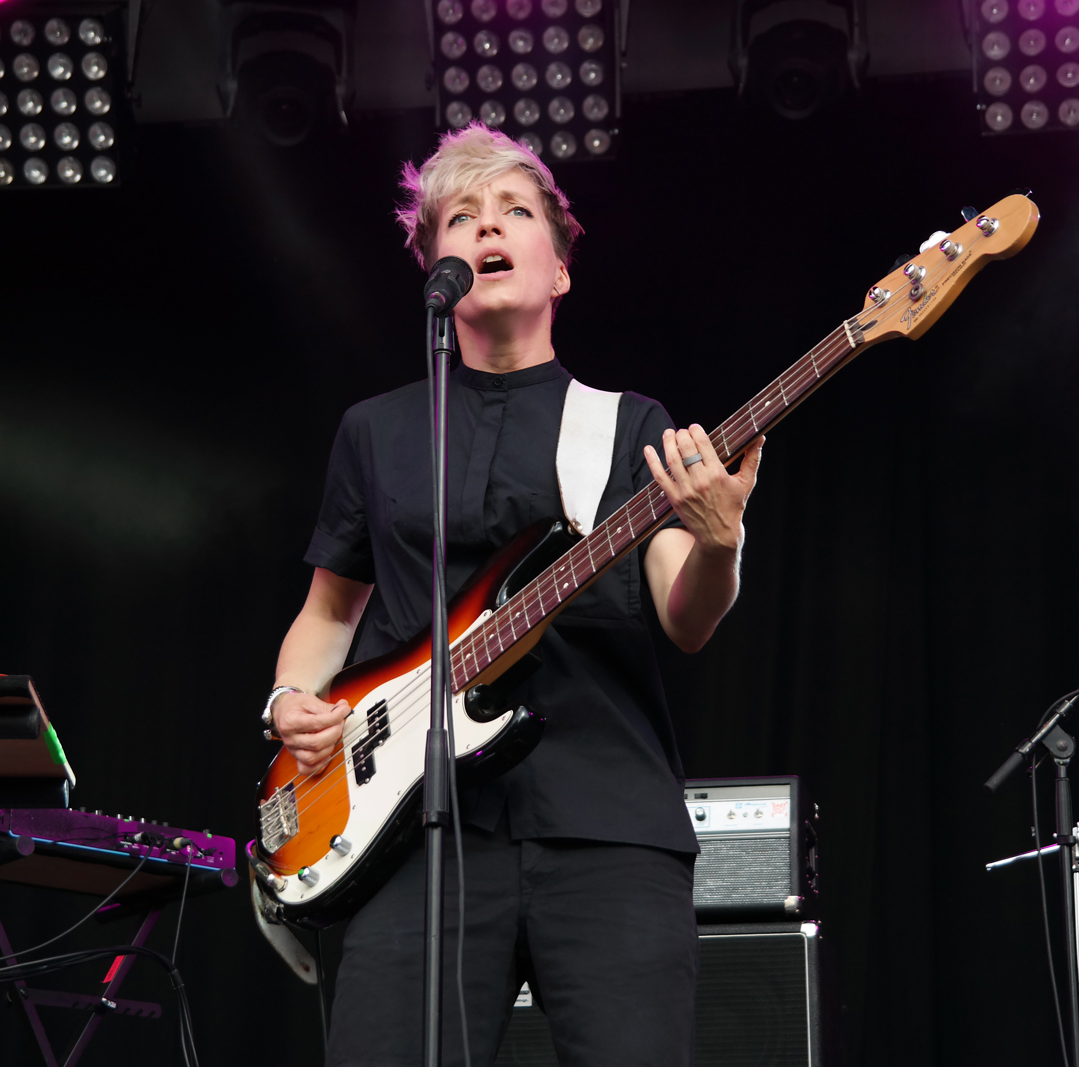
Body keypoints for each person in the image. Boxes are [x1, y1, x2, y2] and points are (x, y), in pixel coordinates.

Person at [265, 124, 766, 1066]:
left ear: (560, 268)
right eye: (461, 216)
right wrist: (290, 697)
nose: (488, 226)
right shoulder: (375, 432)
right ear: (435, 270)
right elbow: (328, 612)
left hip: (606, 822)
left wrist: (720, 542)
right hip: (414, 832)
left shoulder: (627, 426)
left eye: (515, 211)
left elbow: (687, 618)